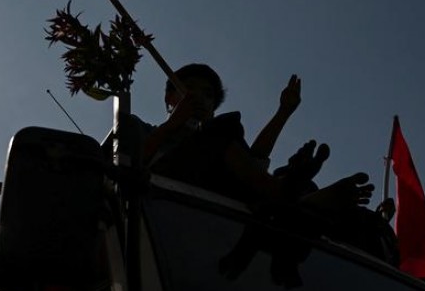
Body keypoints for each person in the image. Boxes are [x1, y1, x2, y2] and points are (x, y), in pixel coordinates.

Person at [144, 63, 373, 211]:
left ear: (213, 106)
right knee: (224, 128)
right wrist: (171, 125)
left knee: (297, 181)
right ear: (170, 98)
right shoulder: (144, 130)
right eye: (189, 89)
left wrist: (283, 113)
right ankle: (294, 202)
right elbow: (131, 162)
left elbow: (252, 163)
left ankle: (296, 197)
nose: (199, 98)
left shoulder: (222, 142)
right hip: (160, 196)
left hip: (218, 196)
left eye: (208, 95)